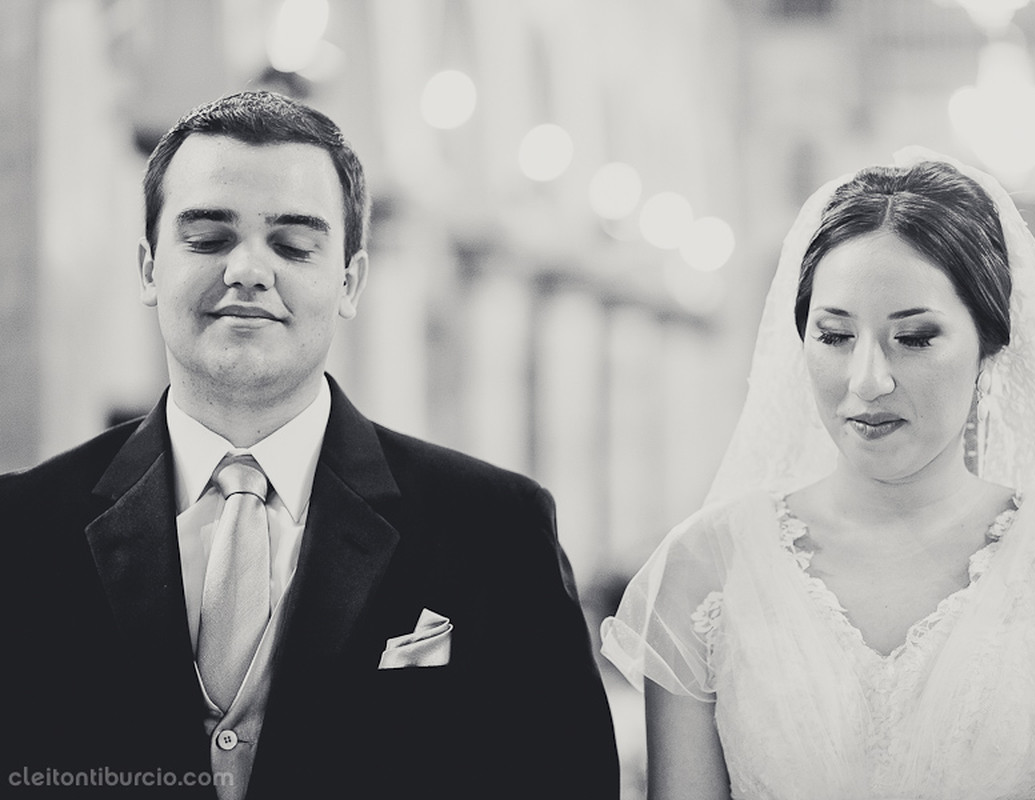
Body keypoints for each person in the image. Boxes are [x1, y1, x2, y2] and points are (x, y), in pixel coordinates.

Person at [1, 91, 619, 800]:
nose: (248, 270)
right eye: (207, 237)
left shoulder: (494, 527)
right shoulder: (20, 528)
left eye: (293, 245)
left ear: (350, 281)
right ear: (147, 268)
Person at [601, 148, 1035, 799]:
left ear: (991, 345)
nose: (867, 381)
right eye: (834, 336)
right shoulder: (704, 569)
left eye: (913, 338)